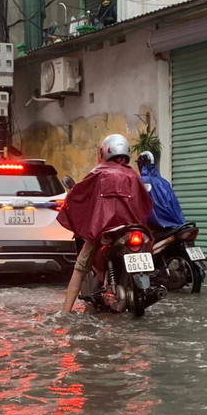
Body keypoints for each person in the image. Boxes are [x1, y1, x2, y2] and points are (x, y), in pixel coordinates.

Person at [57, 134, 154, 314]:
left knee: (79, 268)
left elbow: (79, 195)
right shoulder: (134, 175)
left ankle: (64, 313)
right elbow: (146, 203)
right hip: (133, 230)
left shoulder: (98, 172)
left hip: (103, 231)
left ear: (105, 152)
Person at [137, 151, 186, 229]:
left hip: (154, 226)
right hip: (174, 225)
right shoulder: (164, 182)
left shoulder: (140, 181)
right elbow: (174, 204)